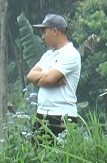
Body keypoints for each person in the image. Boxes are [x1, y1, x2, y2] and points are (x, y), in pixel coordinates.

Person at [25, 13, 82, 141]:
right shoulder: (48, 55)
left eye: (44, 32)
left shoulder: (71, 54)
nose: (42, 37)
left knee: (59, 159)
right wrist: (49, 75)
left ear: (55, 31)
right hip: (42, 114)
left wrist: (46, 78)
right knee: (38, 158)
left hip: (62, 116)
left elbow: (48, 79)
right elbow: (30, 76)